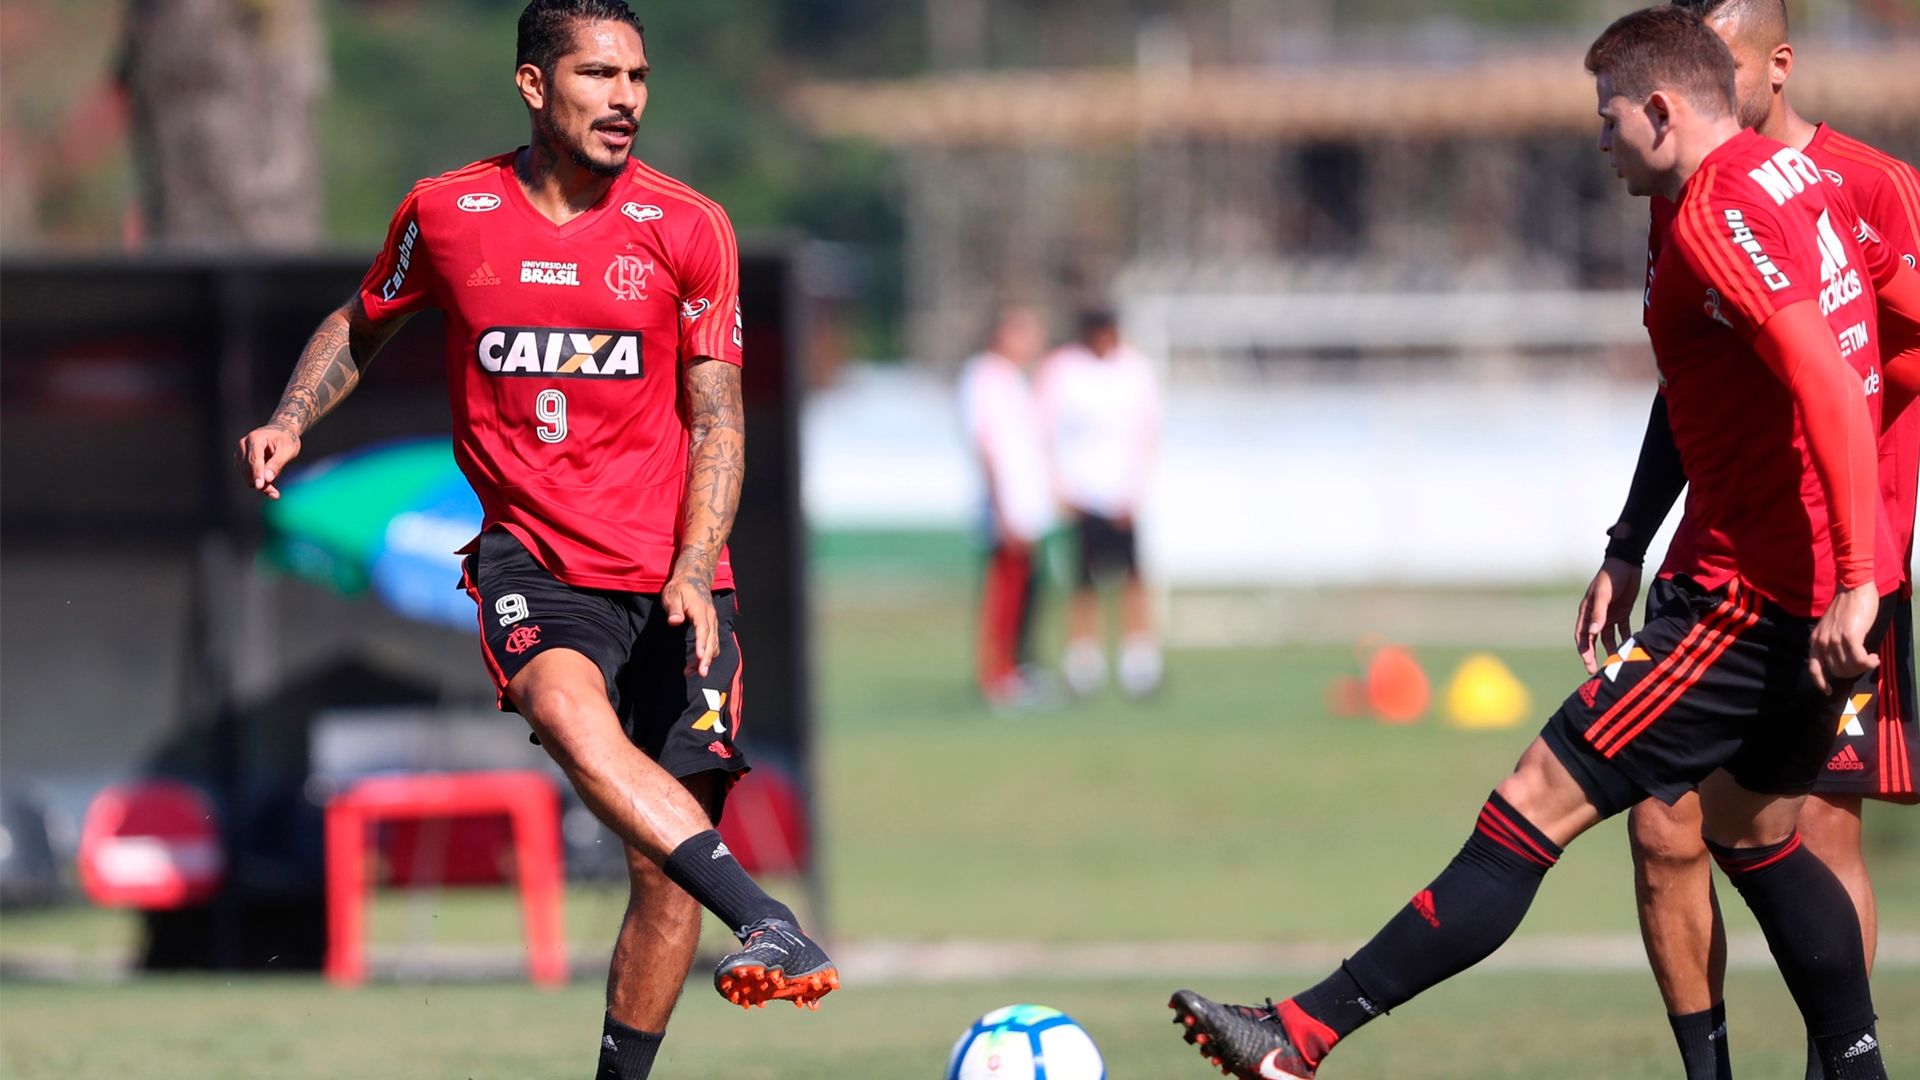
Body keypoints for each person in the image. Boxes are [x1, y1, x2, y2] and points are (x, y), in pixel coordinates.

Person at [1167, 8, 1920, 1077]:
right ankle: (1859, 1068)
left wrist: (1851, 576)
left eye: (1608, 120)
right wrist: (1640, 543)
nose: (1600, 141)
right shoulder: (1795, 182)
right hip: (1814, 586)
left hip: (1753, 599)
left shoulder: (1717, 213)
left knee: (1534, 801)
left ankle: (1301, 1035)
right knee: (1752, 831)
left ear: (1662, 111)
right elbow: (1834, 342)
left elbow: (1832, 385)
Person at [234, 2, 836, 1076]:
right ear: (531, 85)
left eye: (639, 78)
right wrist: (289, 418)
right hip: (535, 564)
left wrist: (694, 569)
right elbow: (360, 321)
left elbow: (720, 419)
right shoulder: (449, 210)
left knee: (663, 872)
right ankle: (767, 916)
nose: (625, 100)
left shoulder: (689, 226)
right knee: (565, 710)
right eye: (600, 75)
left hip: (677, 576)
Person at [1573, 3, 1920, 1075]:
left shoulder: (1870, 187)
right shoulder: (1682, 195)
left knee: (1814, 829)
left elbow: (1881, 352)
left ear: (1776, 66)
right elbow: (1690, 388)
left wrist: (1867, 524)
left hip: (1839, 569)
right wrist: (1631, 539)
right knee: (1658, 825)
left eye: (1723, 66)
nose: (1703, 91)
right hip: (1715, 572)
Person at [1036, 308, 1164, 698]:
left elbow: (1148, 431)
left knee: (1132, 581)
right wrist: (1058, 487)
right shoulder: (1061, 369)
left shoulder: (1135, 368)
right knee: (1083, 584)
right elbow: (1042, 430)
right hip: (1081, 495)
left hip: (1123, 495)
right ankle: (1083, 665)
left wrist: (1136, 490)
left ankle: (1138, 665)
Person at [959, 305, 1057, 708]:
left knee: (1028, 591)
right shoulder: (983, 376)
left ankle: (1016, 668)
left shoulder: (1015, 380)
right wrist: (1001, 504)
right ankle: (995, 675)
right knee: (1005, 592)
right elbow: (986, 445)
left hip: (1027, 508)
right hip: (1006, 508)